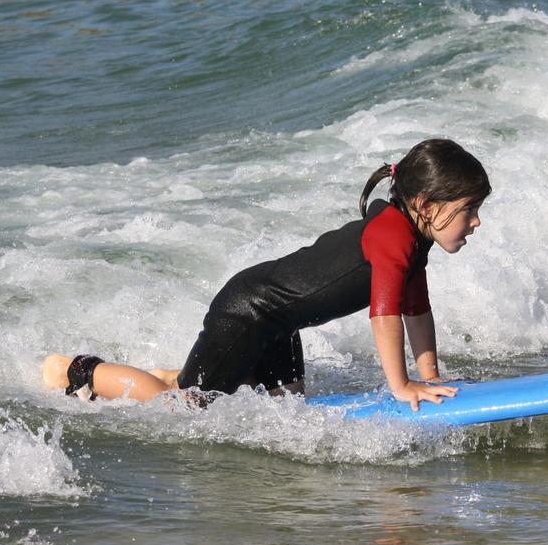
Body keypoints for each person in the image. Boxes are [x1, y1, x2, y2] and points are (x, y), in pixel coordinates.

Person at [42, 138, 492, 411]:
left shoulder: (413, 240)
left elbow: (416, 310)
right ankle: (77, 371)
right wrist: (401, 385)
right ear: (428, 206)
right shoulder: (393, 237)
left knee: (286, 406)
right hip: (247, 314)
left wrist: (429, 376)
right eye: (468, 209)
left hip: (279, 323)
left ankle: (176, 372)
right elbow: (385, 316)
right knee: (188, 408)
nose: (475, 222)